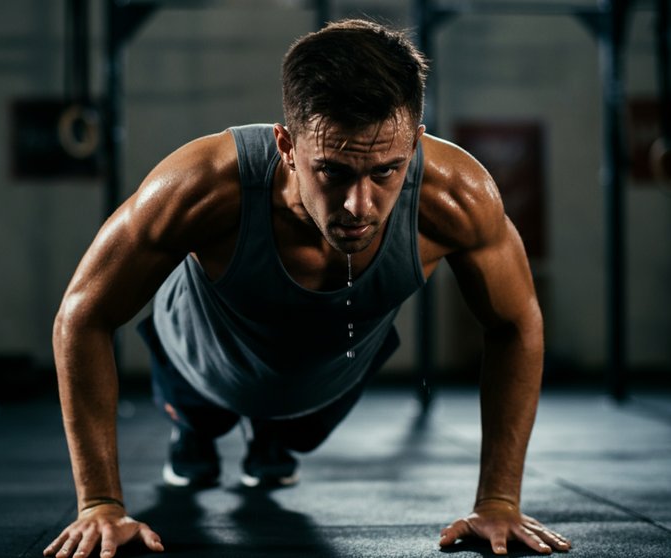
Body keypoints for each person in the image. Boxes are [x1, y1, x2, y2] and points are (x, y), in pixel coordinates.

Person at [44, 19, 571, 558]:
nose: (358, 206)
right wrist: (99, 503)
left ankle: (271, 435)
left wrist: (499, 500)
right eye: (334, 171)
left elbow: (515, 322)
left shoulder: (458, 197)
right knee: (201, 420)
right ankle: (195, 433)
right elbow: (83, 314)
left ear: (414, 145)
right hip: (199, 362)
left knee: (293, 434)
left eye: (387, 171)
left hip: (322, 379)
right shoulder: (203, 184)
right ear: (286, 146)